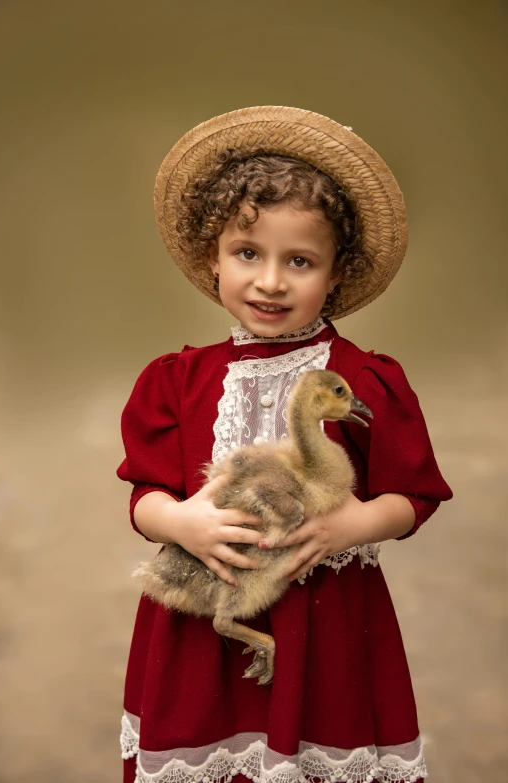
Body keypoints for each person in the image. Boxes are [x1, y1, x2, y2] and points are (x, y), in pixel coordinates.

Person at [117, 106, 452, 783]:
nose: (271, 281)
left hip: (323, 624)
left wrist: (357, 520)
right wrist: (182, 520)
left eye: (299, 261)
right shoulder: (176, 381)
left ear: (334, 274)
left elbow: (414, 494)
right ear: (214, 259)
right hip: (202, 623)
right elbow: (145, 496)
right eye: (248, 254)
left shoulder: (364, 380)